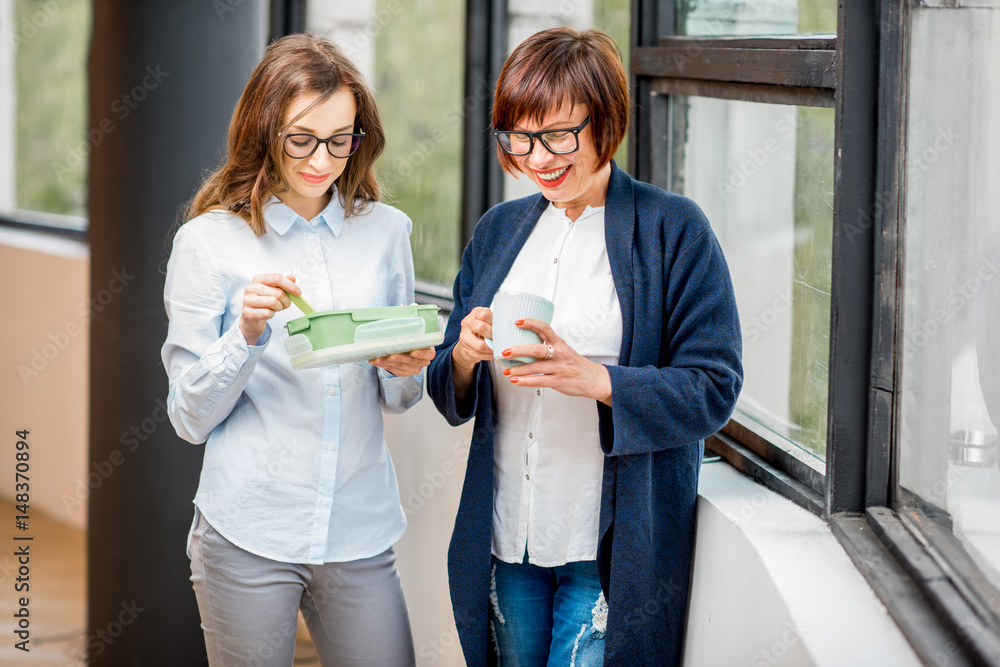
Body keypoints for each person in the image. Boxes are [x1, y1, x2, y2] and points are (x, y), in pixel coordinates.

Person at [426, 27, 743, 666]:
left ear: (606, 122)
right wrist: (461, 355)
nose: (539, 158)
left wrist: (597, 380)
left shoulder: (673, 229)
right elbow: (449, 388)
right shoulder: (499, 231)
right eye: (520, 137)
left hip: (607, 545)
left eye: (559, 134)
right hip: (507, 533)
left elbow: (714, 386)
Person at [161, 33, 433, 666]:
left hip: (359, 528)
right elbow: (188, 418)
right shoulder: (209, 243)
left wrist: (401, 367)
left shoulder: (386, 233)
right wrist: (246, 336)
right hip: (248, 529)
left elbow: (399, 395)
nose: (322, 160)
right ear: (264, 131)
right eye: (301, 139)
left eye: (341, 141)